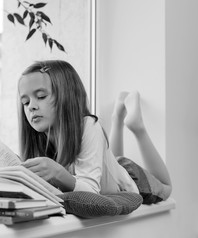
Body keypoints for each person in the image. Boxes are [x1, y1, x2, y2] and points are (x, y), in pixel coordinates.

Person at [18, 60, 172, 202]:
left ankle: (137, 127)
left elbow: (91, 193)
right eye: (25, 102)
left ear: (67, 95)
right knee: (111, 160)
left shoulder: (88, 125)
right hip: (106, 168)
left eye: (41, 96)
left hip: (129, 178)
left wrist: (58, 173)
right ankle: (117, 117)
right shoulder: (40, 140)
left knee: (166, 188)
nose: (31, 106)